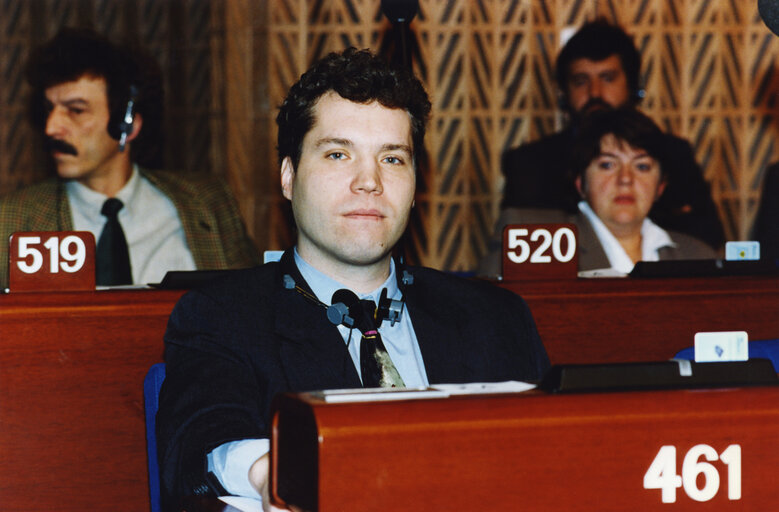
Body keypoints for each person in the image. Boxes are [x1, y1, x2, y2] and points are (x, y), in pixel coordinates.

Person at [157, 48, 550, 511]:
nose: (370, 182)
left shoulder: (496, 316)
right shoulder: (223, 316)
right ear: (288, 176)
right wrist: (271, 471)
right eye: (339, 154)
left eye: (393, 159)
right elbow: (201, 440)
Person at [0, 28, 259, 288]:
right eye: (49, 109)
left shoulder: (206, 204)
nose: (52, 128)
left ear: (128, 125)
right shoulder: (14, 220)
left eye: (76, 110)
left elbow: (252, 307)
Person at [499, 18, 724, 251]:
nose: (595, 92)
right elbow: (520, 250)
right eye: (581, 81)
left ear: (633, 85)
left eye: (608, 78)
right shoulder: (531, 163)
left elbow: (705, 238)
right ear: (564, 94)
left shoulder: (672, 153)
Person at [480, 108, 716, 276]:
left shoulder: (697, 256)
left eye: (642, 166)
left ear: (661, 186)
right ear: (580, 182)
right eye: (607, 165)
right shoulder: (533, 242)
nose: (626, 179)